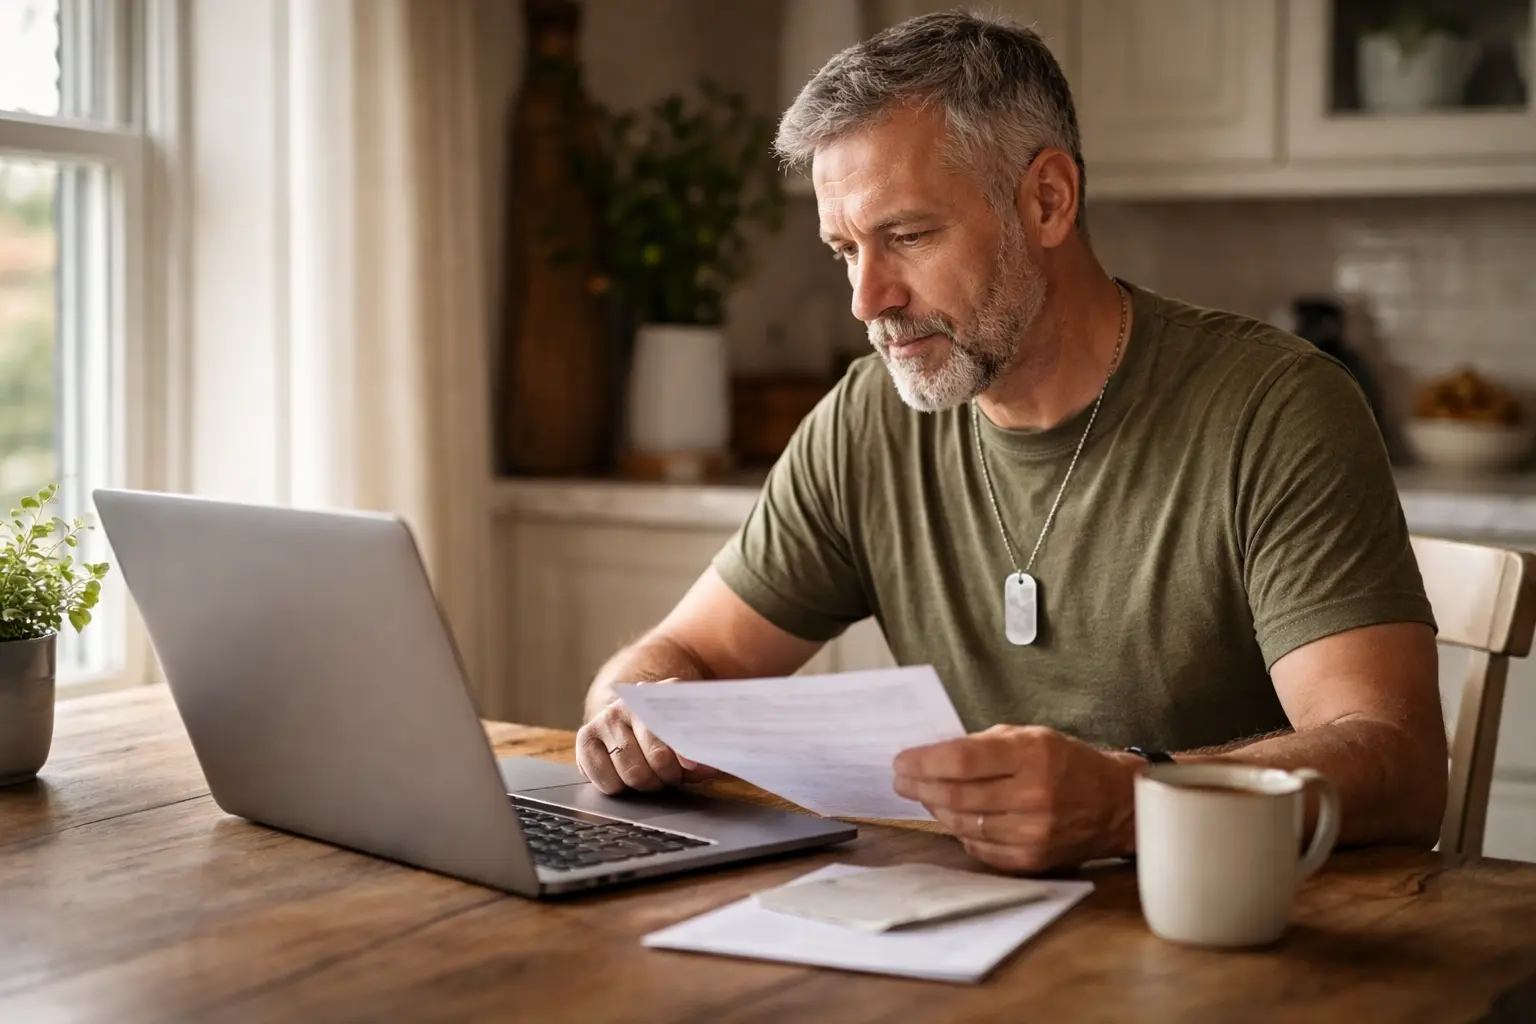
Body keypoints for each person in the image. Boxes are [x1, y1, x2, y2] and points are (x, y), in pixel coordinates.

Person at [574, 11, 1447, 874]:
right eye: (845, 250)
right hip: (973, 939)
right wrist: (640, 712)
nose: (866, 299)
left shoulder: (1276, 409)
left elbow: (1397, 767)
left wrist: (1127, 802)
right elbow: (682, 657)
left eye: (907, 236)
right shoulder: (864, 421)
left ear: (1048, 200)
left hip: (1249, 944)